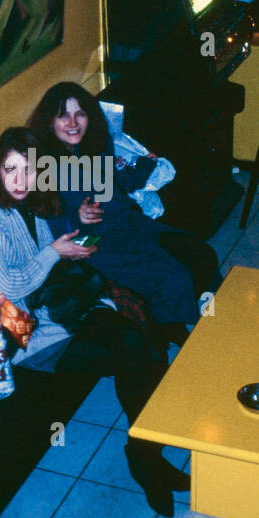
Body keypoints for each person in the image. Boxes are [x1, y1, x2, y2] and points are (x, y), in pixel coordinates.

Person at [0, 127, 187, 517]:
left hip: (47, 313)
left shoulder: (30, 204)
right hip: (12, 333)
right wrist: (53, 252)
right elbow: (10, 286)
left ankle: (145, 455)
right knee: (132, 349)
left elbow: (51, 257)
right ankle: (145, 461)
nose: (19, 180)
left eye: (29, 170)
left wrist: (73, 236)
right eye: (10, 169)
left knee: (141, 342)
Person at [26, 82, 220, 338]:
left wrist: (143, 165)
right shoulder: (42, 164)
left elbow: (113, 189)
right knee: (170, 274)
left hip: (124, 222)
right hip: (86, 241)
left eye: (80, 113)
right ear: (50, 121)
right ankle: (172, 330)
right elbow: (51, 228)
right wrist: (78, 217)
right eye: (63, 115)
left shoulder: (94, 144)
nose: (73, 122)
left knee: (199, 252)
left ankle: (212, 318)